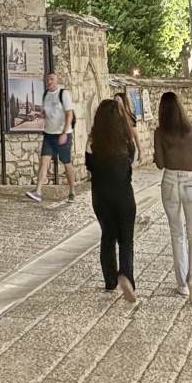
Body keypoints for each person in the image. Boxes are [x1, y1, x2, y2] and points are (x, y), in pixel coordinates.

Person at [154, 90, 192, 305]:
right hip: (191, 183)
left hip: (169, 182)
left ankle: (182, 284)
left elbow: (160, 164)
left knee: (177, 234)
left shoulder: (160, 133)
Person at [85, 98, 137, 301]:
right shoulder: (126, 140)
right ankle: (126, 276)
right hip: (124, 194)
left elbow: (89, 165)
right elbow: (131, 160)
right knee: (126, 239)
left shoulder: (93, 141)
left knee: (108, 236)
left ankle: (110, 280)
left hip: (101, 196)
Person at [27, 72, 75, 203]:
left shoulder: (63, 94)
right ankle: (38, 192)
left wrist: (64, 133)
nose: (49, 82)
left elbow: (69, 114)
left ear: (56, 80)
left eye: (52, 79)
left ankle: (72, 191)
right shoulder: (45, 95)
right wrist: (41, 115)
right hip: (48, 134)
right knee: (44, 162)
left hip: (62, 135)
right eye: (47, 80)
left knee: (66, 163)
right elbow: (46, 113)